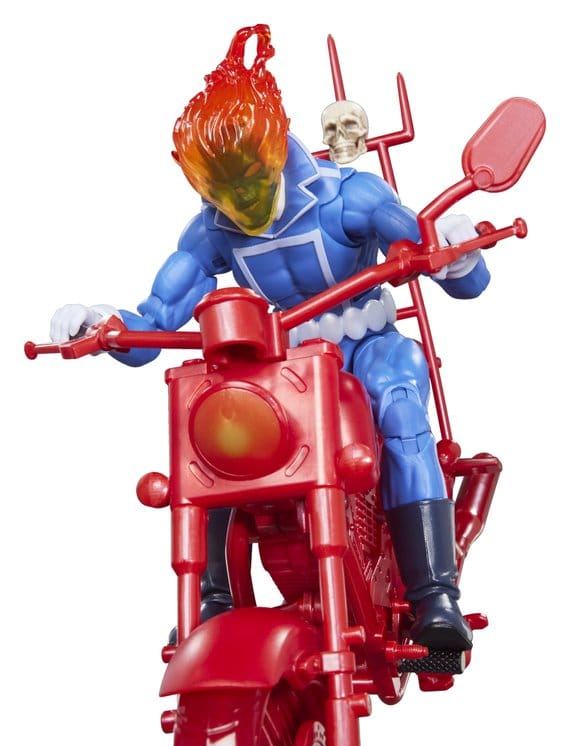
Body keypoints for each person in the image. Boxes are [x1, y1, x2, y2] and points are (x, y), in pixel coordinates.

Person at [50, 24, 490, 651]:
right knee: (211, 434)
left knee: (398, 402)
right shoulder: (212, 229)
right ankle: (213, 600)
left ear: (275, 151)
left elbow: (438, 256)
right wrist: (103, 323)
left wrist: (453, 249)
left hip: (366, 342)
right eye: (220, 190)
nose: (238, 202)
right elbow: (156, 319)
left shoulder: (347, 196)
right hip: (286, 363)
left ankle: (433, 597)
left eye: (248, 181)